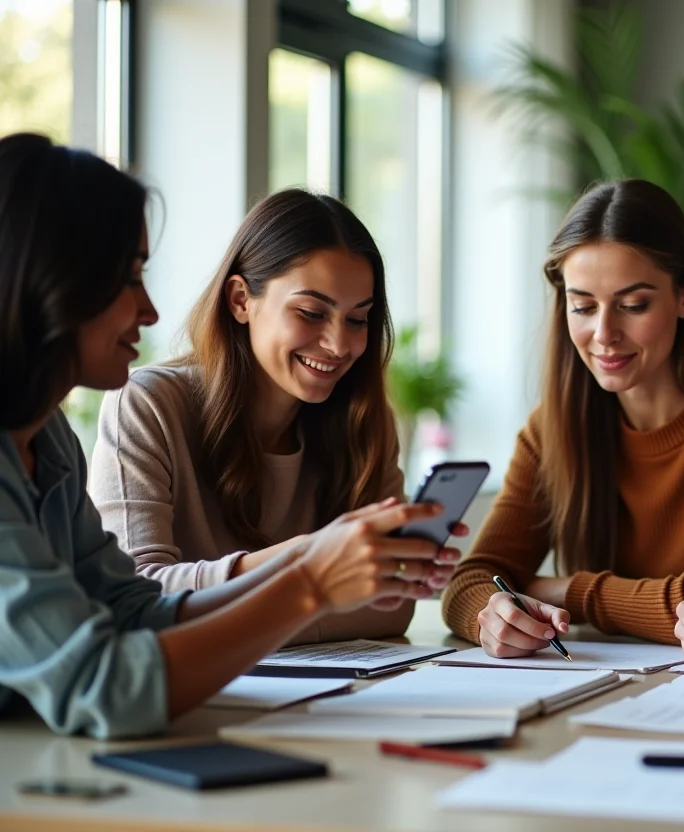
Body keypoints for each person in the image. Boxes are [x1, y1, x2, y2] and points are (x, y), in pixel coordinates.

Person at [0, 134, 456, 739]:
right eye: (127, 277)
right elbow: (108, 687)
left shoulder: (47, 437)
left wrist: (318, 559)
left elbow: (134, 609)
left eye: (359, 319)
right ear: (51, 282)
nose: (151, 310)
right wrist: (311, 579)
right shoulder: (142, 404)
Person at [442, 179, 684, 653]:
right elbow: (469, 583)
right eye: (582, 306)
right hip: (602, 686)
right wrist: (492, 617)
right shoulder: (552, 427)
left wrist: (560, 590)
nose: (604, 333)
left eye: (633, 305)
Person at [89, 189, 447, 643]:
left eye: (358, 319)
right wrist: (312, 564)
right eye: (311, 312)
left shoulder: (363, 419)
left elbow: (390, 610)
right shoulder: (146, 405)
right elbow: (136, 598)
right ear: (240, 300)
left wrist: (255, 602)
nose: (340, 345)